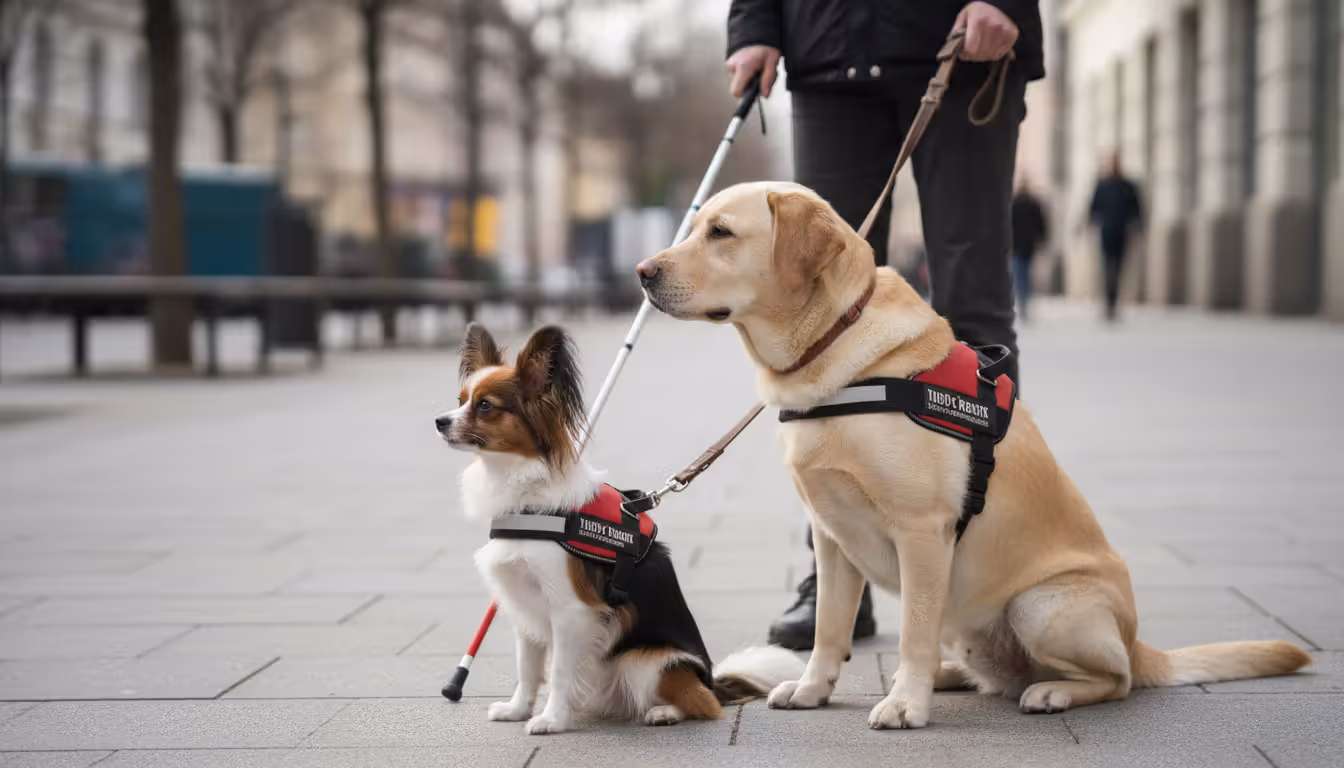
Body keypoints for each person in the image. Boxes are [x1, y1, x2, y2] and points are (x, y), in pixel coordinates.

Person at [725, 0, 1044, 650]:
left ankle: (987, 560)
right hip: (828, 51)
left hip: (962, 46)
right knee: (819, 306)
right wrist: (753, 27)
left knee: (973, 309)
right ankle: (836, 573)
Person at [1088, 153, 1143, 322]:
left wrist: (1139, 228)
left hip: (1121, 233)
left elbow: (1137, 209)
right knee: (1107, 269)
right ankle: (1108, 303)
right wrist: (1089, 223)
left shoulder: (1128, 186)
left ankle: (1113, 303)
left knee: (1118, 269)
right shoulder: (1102, 185)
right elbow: (1093, 207)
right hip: (1106, 233)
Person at [1010, 182, 1048, 322]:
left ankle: (1022, 304)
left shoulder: (1014, 204)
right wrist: (1042, 240)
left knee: (1019, 275)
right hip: (1028, 245)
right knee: (1026, 275)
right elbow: (1041, 225)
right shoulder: (1033, 203)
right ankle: (1024, 304)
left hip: (1016, 245)